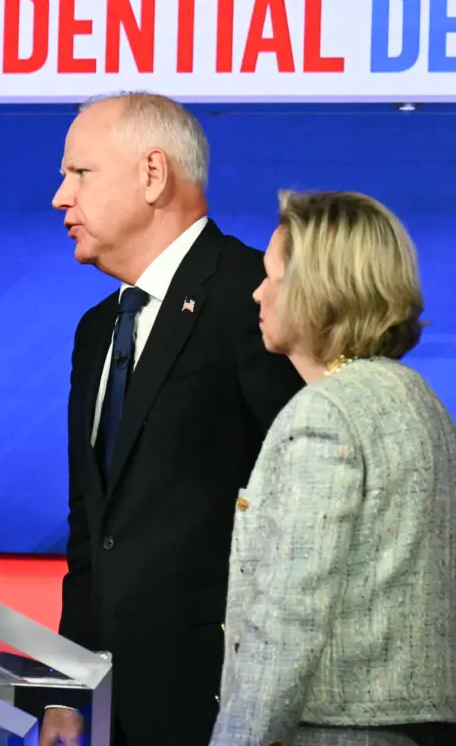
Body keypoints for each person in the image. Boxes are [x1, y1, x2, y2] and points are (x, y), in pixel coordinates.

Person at [34, 92, 304, 746]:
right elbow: (91, 528)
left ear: (153, 175)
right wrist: (69, 686)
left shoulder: (254, 298)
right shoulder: (98, 329)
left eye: (80, 174)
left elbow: (303, 507)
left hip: (225, 706)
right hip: (109, 712)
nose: (59, 198)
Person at [211, 190, 456, 745]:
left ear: (314, 288)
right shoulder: (421, 401)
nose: (257, 292)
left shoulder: (326, 411)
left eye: (270, 275)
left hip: (329, 731)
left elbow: (289, 614)